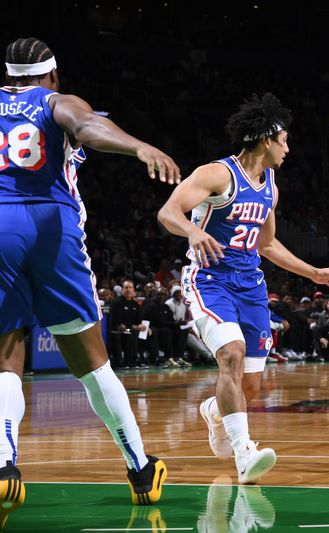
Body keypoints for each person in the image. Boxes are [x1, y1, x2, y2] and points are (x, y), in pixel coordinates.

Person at [0, 37, 176, 526]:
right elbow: (87, 126)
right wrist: (138, 145)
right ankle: (141, 470)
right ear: (52, 75)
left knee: (6, 356)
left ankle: (2, 466)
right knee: (92, 362)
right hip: (50, 227)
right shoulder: (57, 101)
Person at [156, 92, 329, 484]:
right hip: (210, 280)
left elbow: (268, 244)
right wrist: (192, 231)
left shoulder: (271, 187)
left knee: (251, 386)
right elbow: (168, 212)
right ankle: (245, 453)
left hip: (251, 287)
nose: (288, 148)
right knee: (232, 354)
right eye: (284, 140)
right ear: (266, 139)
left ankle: (213, 410)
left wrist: (312, 272)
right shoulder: (217, 174)